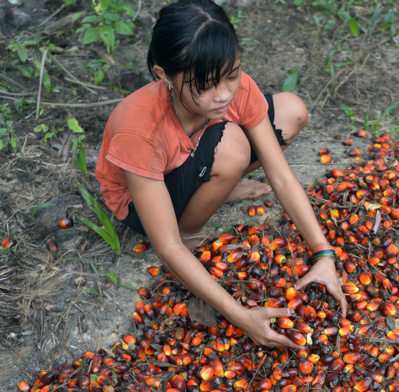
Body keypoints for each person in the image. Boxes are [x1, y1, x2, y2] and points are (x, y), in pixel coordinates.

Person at [95, 0, 346, 350]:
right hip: (143, 202)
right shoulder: (140, 129)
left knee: (291, 111)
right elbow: (165, 245)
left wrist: (323, 253)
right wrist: (239, 314)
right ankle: (191, 223)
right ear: (163, 74)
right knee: (231, 147)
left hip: (196, 157)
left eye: (232, 74)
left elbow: (282, 176)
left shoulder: (230, 90)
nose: (224, 94)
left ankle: (218, 183)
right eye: (207, 85)